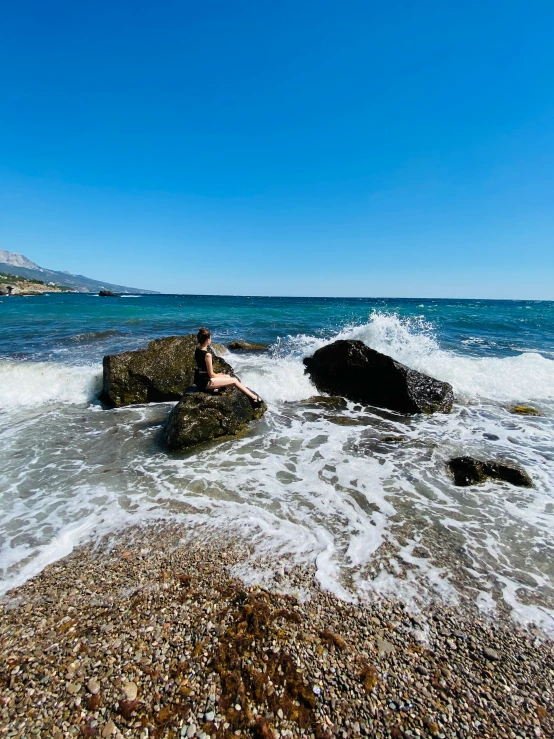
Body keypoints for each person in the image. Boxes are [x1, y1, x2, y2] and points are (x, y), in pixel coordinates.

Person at [194, 327, 263, 408]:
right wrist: (221, 375)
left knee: (227, 376)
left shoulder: (197, 350)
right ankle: (254, 398)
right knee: (234, 380)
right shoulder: (207, 355)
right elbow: (211, 375)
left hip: (200, 380)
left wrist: (221, 375)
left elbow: (203, 369)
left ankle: (215, 389)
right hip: (205, 382)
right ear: (208, 340)